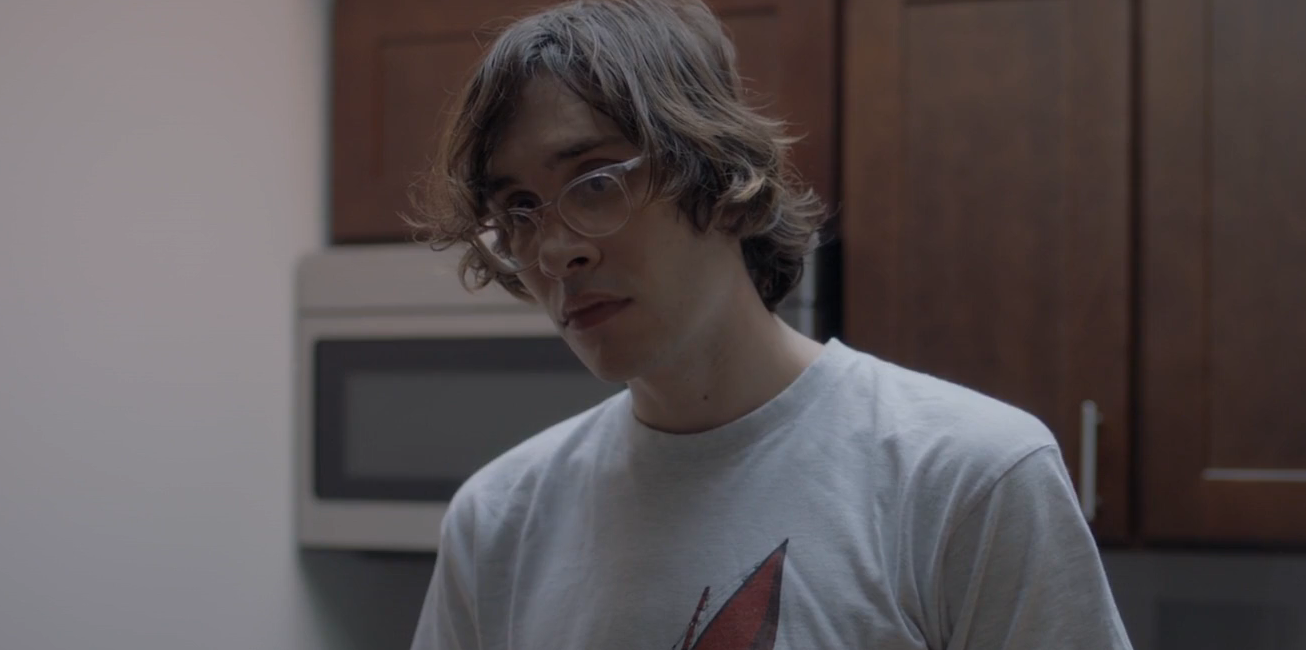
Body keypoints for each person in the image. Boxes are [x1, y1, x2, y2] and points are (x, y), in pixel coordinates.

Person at [407, 0, 1134, 648]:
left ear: (721, 179)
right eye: (519, 210)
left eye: (595, 182)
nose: (554, 251)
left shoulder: (966, 478)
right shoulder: (499, 522)